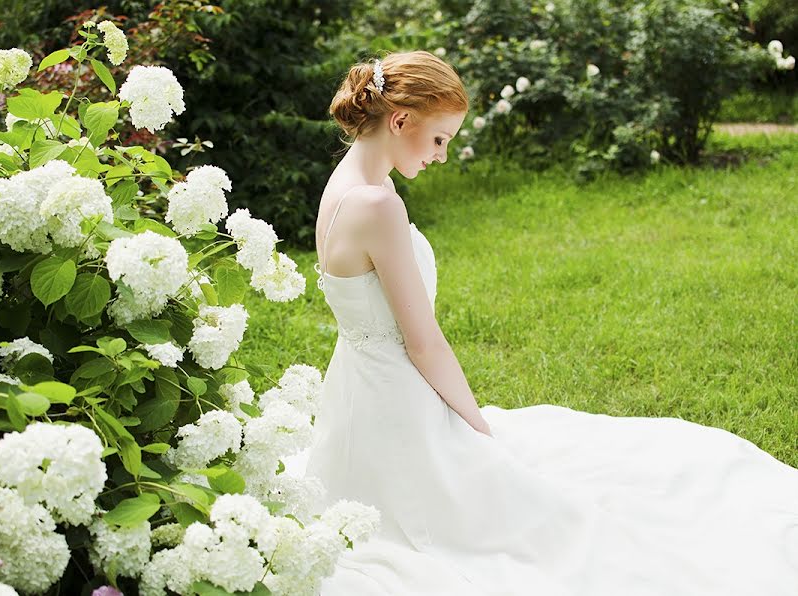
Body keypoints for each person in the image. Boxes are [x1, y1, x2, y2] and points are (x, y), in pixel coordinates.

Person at [283, 51, 798, 595]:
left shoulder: (347, 184)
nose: (444, 155)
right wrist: (475, 426)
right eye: (439, 139)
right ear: (401, 120)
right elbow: (423, 344)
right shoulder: (377, 205)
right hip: (395, 408)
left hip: (357, 397)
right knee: (532, 515)